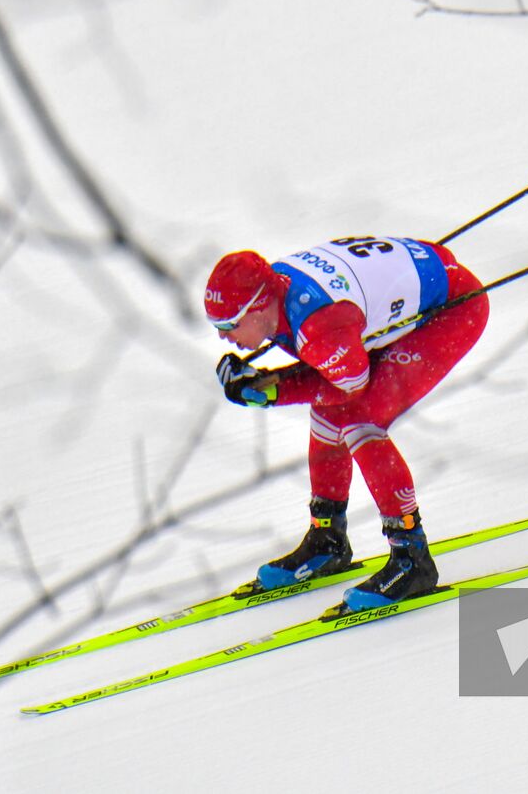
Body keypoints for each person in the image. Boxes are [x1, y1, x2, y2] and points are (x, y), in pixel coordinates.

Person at [203, 236, 489, 611]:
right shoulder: (283, 295)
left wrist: (272, 390)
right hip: (420, 278)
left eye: (228, 324)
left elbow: (349, 387)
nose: (223, 336)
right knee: (326, 412)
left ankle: (412, 558)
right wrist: (266, 382)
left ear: (259, 309)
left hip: (452, 311)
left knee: (359, 419)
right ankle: (327, 539)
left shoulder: (319, 326)